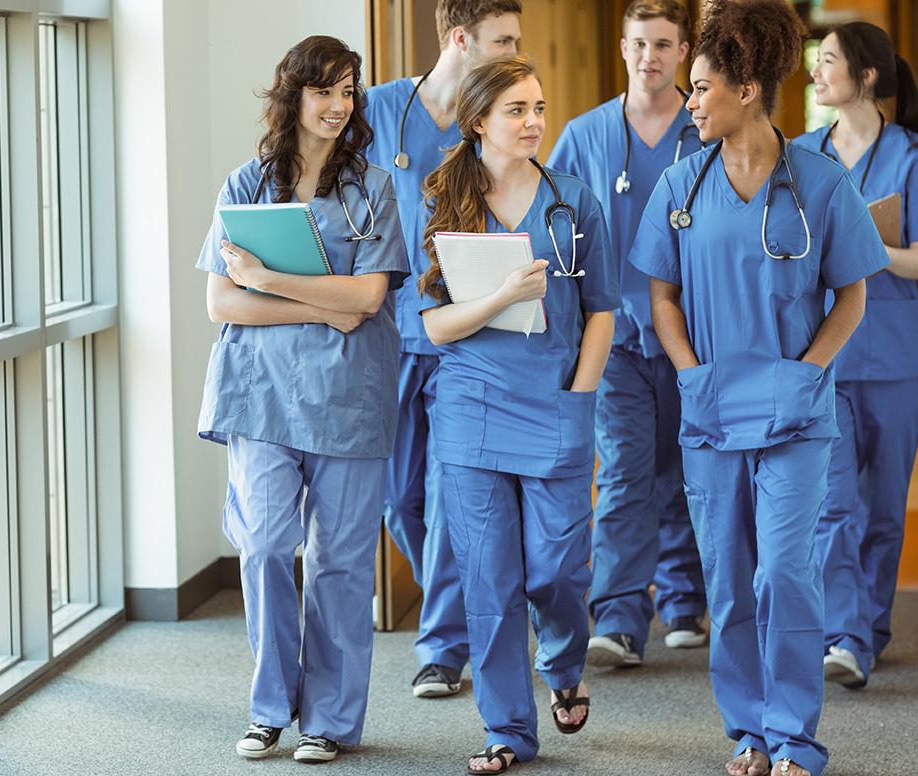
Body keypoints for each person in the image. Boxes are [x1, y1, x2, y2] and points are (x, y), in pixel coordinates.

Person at [628, 2, 890, 774]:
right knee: (731, 584)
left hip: (794, 414)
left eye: (702, 87)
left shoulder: (819, 181)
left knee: (785, 572)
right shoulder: (682, 181)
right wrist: (689, 373)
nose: (690, 100)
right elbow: (662, 296)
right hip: (711, 411)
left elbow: (853, 294)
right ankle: (748, 731)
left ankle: (794, 738)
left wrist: (809, 371)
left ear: (746, 90)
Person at [196, 35, 409, 764]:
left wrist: (267, 278)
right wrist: (319, 303)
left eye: (349, 91)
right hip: (260, 397)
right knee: (261, 548)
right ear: (294, 96)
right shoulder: (243, 187)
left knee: (340, 564)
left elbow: (368, 299)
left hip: (348, 398)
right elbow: (223, 303)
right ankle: (268, 708)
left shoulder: (373, 190)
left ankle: (329, 718)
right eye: (324, 91)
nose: (338, 106)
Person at [417, 56, 617, 773]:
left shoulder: (575, 203)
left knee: (558, 571)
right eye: (517, 111)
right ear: (478, 122)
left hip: (557, 404)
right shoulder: (441, 201)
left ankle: (563, 666)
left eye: (539, 107)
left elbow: (601, 314)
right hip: (472, 408)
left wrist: (579, 396)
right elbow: (435, 327)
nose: (534, 122)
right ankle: (507, 730)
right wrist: (501, 296)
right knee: (490, 579)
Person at [363, 0, 522, 699]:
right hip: (391, 332)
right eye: (503, 39)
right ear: (461, 38)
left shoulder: (495, 117)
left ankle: (442, 646)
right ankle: (471, 600)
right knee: (400, 499)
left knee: (450, 494)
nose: (516, 51)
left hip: (462, 335)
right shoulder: (381, 110)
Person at [795, 21, 918, 689]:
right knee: (832, 504)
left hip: (892, 362)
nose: (816, 71)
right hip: (825, 357)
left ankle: (867, 628)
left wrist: (863, 246)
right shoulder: (802, 156)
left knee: (884, 509)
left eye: (828, 60)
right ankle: (845, 636)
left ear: (865, 76)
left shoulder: (915, 157)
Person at [546, 0, 708, 669]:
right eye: (640, 44)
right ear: (623, 47)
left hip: (694, 335)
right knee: (624, 472)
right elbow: (551, 223)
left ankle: (683, 599)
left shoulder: (706, 132)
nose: (651, 58)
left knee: (687, 467)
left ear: (682, 52)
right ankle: (617, 614)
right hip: (612, 336)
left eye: (664, 45)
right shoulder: (585, 136)